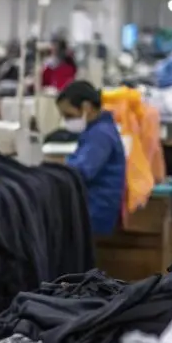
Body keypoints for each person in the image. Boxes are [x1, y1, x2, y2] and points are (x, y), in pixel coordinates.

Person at [56, 80, 125, 236]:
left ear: (86, 107)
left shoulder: (100, 135)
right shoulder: (97, 130)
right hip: (94, 205)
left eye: (69, 115)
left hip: (95, 209)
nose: (66, 121)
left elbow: (81, 171)